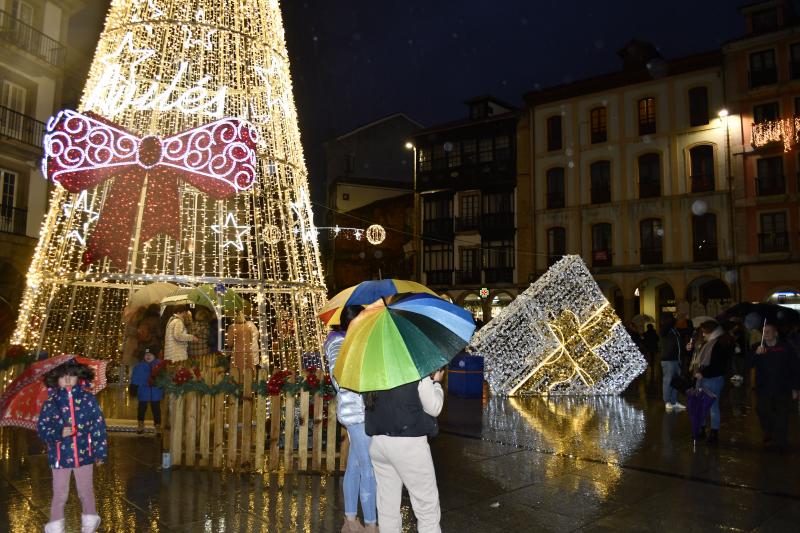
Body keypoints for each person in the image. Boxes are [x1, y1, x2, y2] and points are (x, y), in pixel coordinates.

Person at [365, 370, 444, 533]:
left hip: (379, 444)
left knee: (387, 508)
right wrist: (436, 383)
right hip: (409, 446)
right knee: (427, 508)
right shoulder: (414, 369)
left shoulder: (373, 370)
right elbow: (434, 407)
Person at [37, 359, 107, 533]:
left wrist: (100, 453)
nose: (67, 379)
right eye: (62, 376)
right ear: (55, 379)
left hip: (85, 455)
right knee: (60, 493)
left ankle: (90, 521)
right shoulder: (51, 403)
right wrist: (59, 432)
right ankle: (55, 525)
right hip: (60, 457)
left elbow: (98, 426)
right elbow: (42, 430)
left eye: (71, 375)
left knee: (86, 490)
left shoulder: (88, 400)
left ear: (78, 377)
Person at [325, 305, 377, 533]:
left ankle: (350, 520)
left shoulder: (354, 341)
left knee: (355, 466)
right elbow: (340, 377)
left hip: (362, 410)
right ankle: (371, 524)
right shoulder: (338, 342)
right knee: (369, 468)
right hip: (355, 412)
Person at [749, 323, 800, 449]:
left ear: (775, 333)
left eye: (768, 331)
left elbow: (795, 367)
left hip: (783, 386)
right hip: (764, 387)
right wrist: (756, 354)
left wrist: (795, 387)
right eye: (764, 332)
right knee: (762, 410)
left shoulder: (786, 347)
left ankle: (780, 441)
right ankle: (768, 430)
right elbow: (748, 364)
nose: (765, 334)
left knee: (782, 414)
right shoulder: (757, 347)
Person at [690, 320, 733, 444]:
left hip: (713, 379)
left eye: (704, 332)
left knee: (712, 407)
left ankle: (714, 433)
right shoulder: (708, 343)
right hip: (703, 378)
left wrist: (703, 373)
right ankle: (702, 430)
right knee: (701, 406)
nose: (703, 335)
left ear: (711, 331)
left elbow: (718, 365)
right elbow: (699, 359)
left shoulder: (719, 344)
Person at [130, 348, 164, 435]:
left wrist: (162, 385)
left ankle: (157, 425)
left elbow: (163, 377)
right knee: (141, 408)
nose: (148, 356)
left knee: (156, 409)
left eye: (150, 355)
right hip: (143, 390)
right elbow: (135, 377)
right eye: (146, 355)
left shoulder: (159, 365)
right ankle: (140, 424)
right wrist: (133, 387)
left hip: (155, 390)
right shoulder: (139, 366)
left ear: (154, 356)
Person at [659, 314, 685, 412]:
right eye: (672, 319)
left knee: (676, 381)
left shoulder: (675, 331)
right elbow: (667, 325)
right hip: (668, 359)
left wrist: (685, 349)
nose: (675, 320)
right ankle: (667, 401)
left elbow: (678, 344)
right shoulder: (664, 330)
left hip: (676, 359)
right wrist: (673, 319)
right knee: (668, 381)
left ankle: (674, 401)